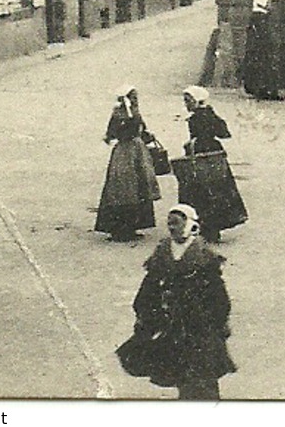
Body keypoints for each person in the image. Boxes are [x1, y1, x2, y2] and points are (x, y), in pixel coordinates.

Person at [118, 204, 235, 400]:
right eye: (169, 223)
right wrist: (145, 315)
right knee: (182, 375)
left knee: (202, 380)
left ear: (190, 225)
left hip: (199, 329)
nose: (172, 228)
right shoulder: (163, 251)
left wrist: (215, 324)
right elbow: (149, 288)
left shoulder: (203, 256)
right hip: (172, 326)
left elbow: (219, 298)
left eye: (177, 223)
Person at [177, 88, 247, 242]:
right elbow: (224, 133)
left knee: (200, 190)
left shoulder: (197, 118)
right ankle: (214, 226)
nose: (186, 104)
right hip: (215, 155)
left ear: (197, 101)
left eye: (188, 101)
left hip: (201, 155)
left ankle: (204, 227)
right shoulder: (210, 114)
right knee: (217, 189)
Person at [96, 87, 161, 241]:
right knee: (125, 187)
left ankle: (130, 226)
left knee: (136, 187)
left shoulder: (133, 112)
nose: (135, 100)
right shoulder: (120, 113)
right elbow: (113, 134)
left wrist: (146, 135)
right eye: (133, 97)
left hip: (135, 151)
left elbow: (141, 130)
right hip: (126, 152)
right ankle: (121, 228)